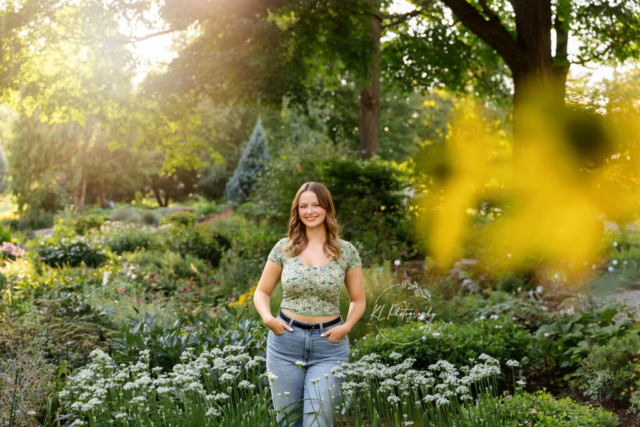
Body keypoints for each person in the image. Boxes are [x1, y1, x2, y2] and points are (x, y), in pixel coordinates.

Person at [253, 182, 366, 427]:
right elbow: (262, 291)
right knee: (288, 422)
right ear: (297, 211)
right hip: (285, 344)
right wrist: (268, 318)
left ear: (327, 208)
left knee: (318, 422)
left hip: (329, 347)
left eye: (316, 205)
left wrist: (347, 327)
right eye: (304, 206)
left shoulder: (345, 252)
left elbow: (358, 299)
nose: (310, 211)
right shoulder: (284, 249)